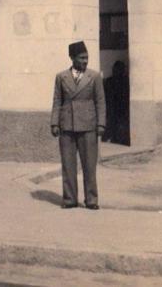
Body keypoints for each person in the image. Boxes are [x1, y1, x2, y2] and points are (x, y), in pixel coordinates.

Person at [50, 41, 105, 209]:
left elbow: (100, 102)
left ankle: (91, 200)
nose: (85, 61)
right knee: (68, 164)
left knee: (89, 165)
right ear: (72, 58)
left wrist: (101, 124)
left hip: (88, 125)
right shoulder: (61, 77)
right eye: (81, 58)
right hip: (67, 125)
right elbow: (57, 100)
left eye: (86, 58)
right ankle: (69, 199)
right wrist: (54, 122)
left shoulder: (94, 77)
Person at [103, 60, 129, 144]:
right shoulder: (111, 81)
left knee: (118, 125)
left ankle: (116, 139)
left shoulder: (111, 81)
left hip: (118, 108)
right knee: (115, 125)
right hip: (115, 107)